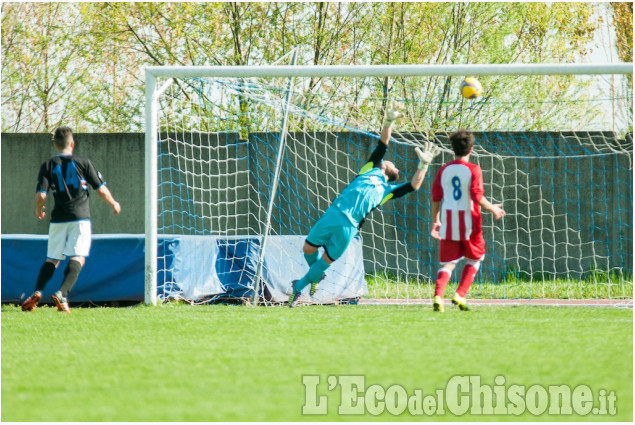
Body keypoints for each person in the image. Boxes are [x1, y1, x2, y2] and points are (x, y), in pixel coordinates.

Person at [288, 108, 440, 307]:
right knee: (308, 248)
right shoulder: (370, 169)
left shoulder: (388, 191)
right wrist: (389, 122)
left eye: (392, 164)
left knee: (326, 260)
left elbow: (414, 185)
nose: (390, 162)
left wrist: (424, 164)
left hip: (350, 227)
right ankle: (314, 278)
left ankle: (298, 287)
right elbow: (383, 144)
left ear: (389, 170)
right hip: (335, 212)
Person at [21, 126, 121, 313]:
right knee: (78, 256)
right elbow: (100, 188)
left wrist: (38, 209)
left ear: (55, 144)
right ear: (72, 143)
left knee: (52, 258)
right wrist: (113, 203)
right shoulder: (83, 162)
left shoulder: (48, 165)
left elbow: (41, 195)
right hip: (80, 218)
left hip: (58, 219)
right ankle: (63, 293)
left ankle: (38, 291)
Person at [430, 129, 505, 312]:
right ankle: (460, 294)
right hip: (470, 222)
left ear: (453, 149)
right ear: (471, 149)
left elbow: (436, 196)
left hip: (448, 221)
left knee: (448, 262)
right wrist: (493, 207)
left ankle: (438, 296)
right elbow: (476, 195)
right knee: (476, 258)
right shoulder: (474, 169)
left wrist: (435, 221)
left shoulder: (444, 169)